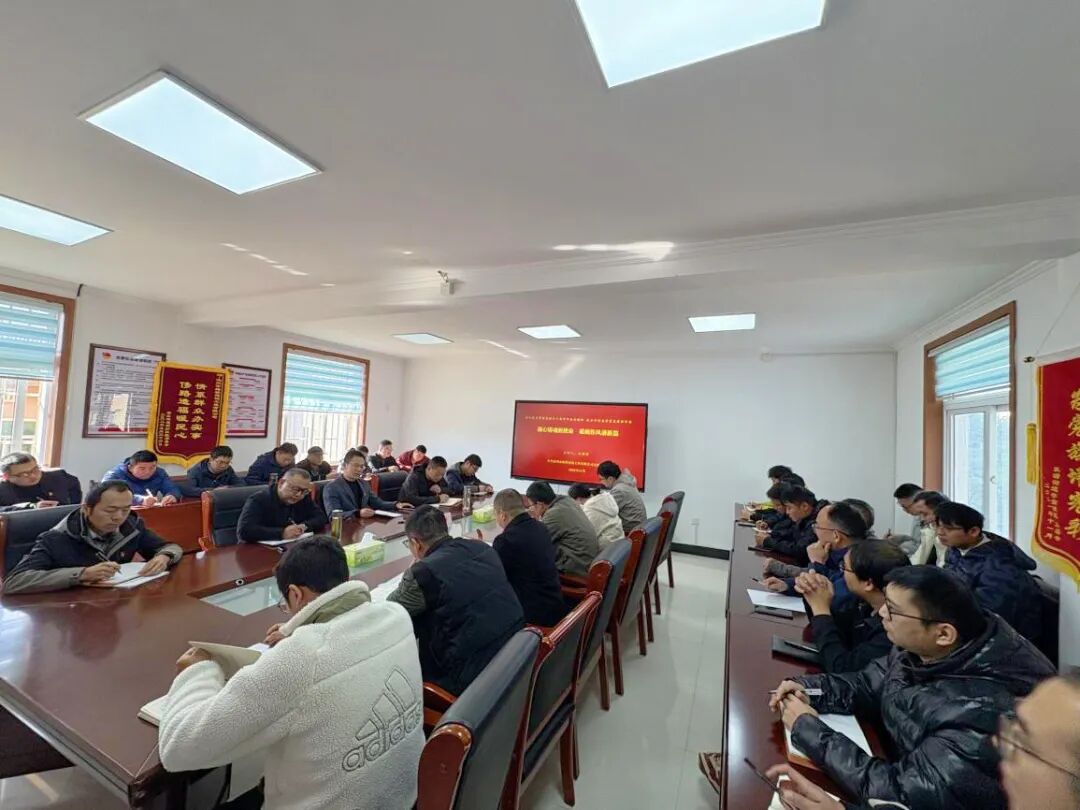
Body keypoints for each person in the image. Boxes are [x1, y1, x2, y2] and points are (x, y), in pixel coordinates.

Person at [159, 536, 423, 810]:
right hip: (404, 797)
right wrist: (298, 629)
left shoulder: (302, 657)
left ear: (296, 594)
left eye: (285, 605)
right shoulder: (396, 615)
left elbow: (178, 748)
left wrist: (199, 670)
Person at [768, 565, 1055, 810]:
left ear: (943, 633)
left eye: (893, 610)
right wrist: (808, 689)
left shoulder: (984, 712)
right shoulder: (926, 647)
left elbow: (899, 793)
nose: (881, 613)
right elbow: (867, 683)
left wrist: (810, 729)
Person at [387, 506, 523, 694]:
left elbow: (390, 612)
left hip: (468, 677)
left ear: (416, 543)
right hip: (515, 651)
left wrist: (415, 570)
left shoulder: (424, 573)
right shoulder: (482, 547)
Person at [2, 481, 183, 594]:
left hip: (113, 603)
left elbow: (171, 547)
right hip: (67, 610)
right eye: (110, 510)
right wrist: (80, 574)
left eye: (125, 509)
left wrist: (164, 556)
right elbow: (14, 582)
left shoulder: (131, 526)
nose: (118, 517)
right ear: (87, 509)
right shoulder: (57, 537)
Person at [935, 501, 1043, 643]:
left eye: (948, 528)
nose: (940, 532)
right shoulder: (956, 547)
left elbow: (991, 615)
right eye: (938, 526)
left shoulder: (998, 567)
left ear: (973, 531)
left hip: (1006, 638)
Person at [798, 540, 910, 673]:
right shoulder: (866, 604)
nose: (842, 574)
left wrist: (821, 610)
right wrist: (814, 593)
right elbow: (838, 631)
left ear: (868, 583)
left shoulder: (891, 631)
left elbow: (842, 668)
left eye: (844, 567)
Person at [763, 501, 867, 614]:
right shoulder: (837, 552)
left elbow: (831, 600)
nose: (815, 532)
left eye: (817, 526)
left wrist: (817, 563)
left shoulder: (857, 563)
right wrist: (788, 585)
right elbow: (830, 577)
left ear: (836, 536)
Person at [491, 488, 568, 627]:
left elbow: (494, 578)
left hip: (531, 616)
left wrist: (482, 551)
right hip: (555, 605)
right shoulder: (541, 527)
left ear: (502, 515)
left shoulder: (505, 541)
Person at [523, 481, 599, 577]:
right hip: (584, 561)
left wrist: (533, 520)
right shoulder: (567, 500)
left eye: (531, 505)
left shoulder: (554, 514)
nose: (531, 508)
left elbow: (536, 544)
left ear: (540, 504)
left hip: (575, 569)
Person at [237, 468, 328, 543]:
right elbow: (245, 531)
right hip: (258, 550)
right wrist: (282, 533)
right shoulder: (259, 499)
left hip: (291, 546)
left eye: (304, 491)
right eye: (295, 489)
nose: (298, 495)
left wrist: (304, 526)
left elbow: (321, 517)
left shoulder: (303, 497)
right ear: (281, 483)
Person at [323, 449, 410, 517]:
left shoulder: (363, 484)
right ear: (345, 465)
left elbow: (377, 503)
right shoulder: (332, 487)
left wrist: (396, 505)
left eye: (361, 466)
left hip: (361, 525)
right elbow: (334, 515)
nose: (359, 469)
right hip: (344, 528)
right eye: (355, 465)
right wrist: (358, 513)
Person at [758, 485, 824, 564]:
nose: (787, 512)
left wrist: (768, 541)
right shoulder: (805, 518)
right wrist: (771, 536)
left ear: (804, 506)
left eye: (789, 508)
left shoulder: (819, 522)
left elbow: (799, 550)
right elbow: (791, 534)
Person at [0, 452, 82, 511]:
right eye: (24, 474)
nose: (33, 476)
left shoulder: (59, 476)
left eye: (35, 469)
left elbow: (74, 488)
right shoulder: (2, 489)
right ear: (7, 477)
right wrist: (31, 507)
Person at [102, 449, 181, 506]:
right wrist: (140, 500)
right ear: (130, 468)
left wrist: (172, 496)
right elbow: (108, 494)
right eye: (142, 468)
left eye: (152, 467)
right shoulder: (115, 474)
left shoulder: (159, 473)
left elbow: (172, 488)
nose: (148, 472)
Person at [597, 460, 648, 534]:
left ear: (610, 479)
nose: (600, 482)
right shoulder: (626, 483)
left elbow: (604, 511)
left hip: (630, 533)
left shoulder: (619, 490)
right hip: (638, 528)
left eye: (601, 479)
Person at [568, 483, 623, 549]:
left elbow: (586, 536)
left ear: (578, 499)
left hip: (606, 547)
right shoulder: (603, 499)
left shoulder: (590, 509)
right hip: (619, 541)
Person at [908, 490, 949, 565]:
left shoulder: (954, 535)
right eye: (919, 514)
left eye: (925, 514)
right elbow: (916, 560)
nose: (922, 519)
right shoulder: (930, 530)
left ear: (940, 510)